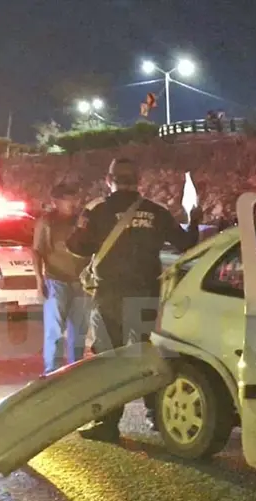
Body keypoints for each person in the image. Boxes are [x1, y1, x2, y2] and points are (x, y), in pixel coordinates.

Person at [65, 158, 202, 443]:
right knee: (146, 356)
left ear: (109, 180)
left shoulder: (98, 210)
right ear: (138, 181)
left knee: (108, 360)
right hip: (146, 294)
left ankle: (108, 423)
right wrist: (194, 220)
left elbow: (76, 247)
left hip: (110, 296)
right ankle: (157, 416)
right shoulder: (157, 212)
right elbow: (187, 244)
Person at [33, 183, 90, 373]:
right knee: (55, 330)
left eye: (75, 198)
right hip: (56, 280)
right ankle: (52, 371)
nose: (73, 203)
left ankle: (76, 369)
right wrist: (39, 281)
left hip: (81, 282)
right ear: (55, 202)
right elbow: (37, 251)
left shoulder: (83, 221)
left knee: (79, 331)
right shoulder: (46, 223)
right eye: (68, 199)